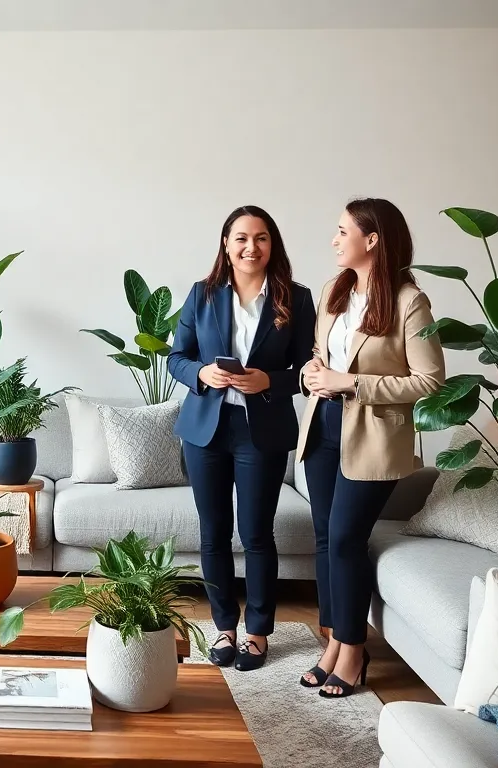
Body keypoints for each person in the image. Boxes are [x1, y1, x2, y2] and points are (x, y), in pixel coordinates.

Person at [297, 198, 444, 697]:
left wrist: (353, 382)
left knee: (344, 540)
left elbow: (430, 382)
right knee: (325, 538)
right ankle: (336, 643)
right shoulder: (333, 290)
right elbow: (320, 355)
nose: (334, 240)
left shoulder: (409, 302)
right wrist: (311, 375)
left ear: (372, 240)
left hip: (374, 437)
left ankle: (353, 650)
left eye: (342, 231)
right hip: (323, 427)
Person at [168, 205, 315, 671]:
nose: (252, 247)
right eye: (241, 238)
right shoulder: (202, 294)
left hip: (261, 431)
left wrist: (268, 381)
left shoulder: (296, 297)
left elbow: (309, 372)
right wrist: (202, 372)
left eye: (262, 238)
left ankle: (256, 633)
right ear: (226, 245)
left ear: (273, 245)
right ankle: (224, 629)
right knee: (212, 534)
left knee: (256, 534)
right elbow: (176, 358)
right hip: (206, 430)